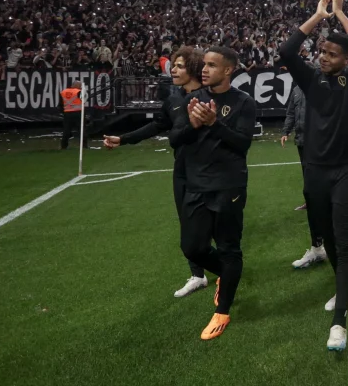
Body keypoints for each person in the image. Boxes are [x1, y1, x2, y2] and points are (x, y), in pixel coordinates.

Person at [279, 0, 348, 351]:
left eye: (333, 54)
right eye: (322, 53)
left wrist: (342, 13)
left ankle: (340, 321)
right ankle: (342, 286)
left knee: (346, 243)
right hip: (315, 172)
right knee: (329, 239)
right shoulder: (311, 80)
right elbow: (288, 51)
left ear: (346, 60)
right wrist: (319, 15)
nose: (324, 59)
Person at [103, 47, 208, 297]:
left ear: (193, 68)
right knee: (187, 224)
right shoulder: (173, 100)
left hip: (209, 170)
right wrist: (124, 139)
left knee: (211, 225)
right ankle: (198, 275)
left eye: (180, 66)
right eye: (173, 65)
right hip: (183, 170)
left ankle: (225, 271)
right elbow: (157, 126)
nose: (173, 69)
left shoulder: (210, 96)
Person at [169, 47, 257, 340]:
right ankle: (227, 274)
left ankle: (223, 311)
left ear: (228, 70)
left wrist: (213, 123)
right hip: (196, 184)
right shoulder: (191, 100)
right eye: (203, 64)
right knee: (192, 247)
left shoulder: (243, 102)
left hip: (229, 185)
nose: (203, 69)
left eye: (211, 65)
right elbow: (174, 138)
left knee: (230, 247)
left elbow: (242, 144)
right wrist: (194, 124)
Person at [282, 84, 327, 267]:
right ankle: (318, 247)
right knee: (310, 190)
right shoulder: (297, 90)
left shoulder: (320, 87)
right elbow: (291, 111)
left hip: (319, 143)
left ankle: (326, 244)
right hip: (302, 142)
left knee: (321, 191)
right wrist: (286, 130)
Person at [60, 81, 87, 150]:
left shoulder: (63, 92)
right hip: (78, 113)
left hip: (67, 113)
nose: (81, 87)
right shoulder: (79, 92)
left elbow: (60, 104)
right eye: (80, 86)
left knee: (66, 130)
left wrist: (63, 112)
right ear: (77, 86)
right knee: (81, 130)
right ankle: (84, 146)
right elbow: (84, 99)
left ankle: (63, 146)